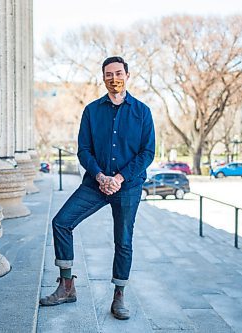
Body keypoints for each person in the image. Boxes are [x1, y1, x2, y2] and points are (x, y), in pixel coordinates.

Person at [39, 56, 155, 320]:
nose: (114, 78)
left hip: (127, 186)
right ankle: (66, 286)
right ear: (103, 78)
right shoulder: (92, 111)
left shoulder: (142, 112)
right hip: (95, 183)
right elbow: (84, 150)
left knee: (123, 240)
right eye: (108, 74)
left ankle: (119, 296)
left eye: (118, 73)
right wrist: (101, 176)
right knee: (61, 222)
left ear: (127, 75)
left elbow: (147, 152)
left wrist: (119, 178)